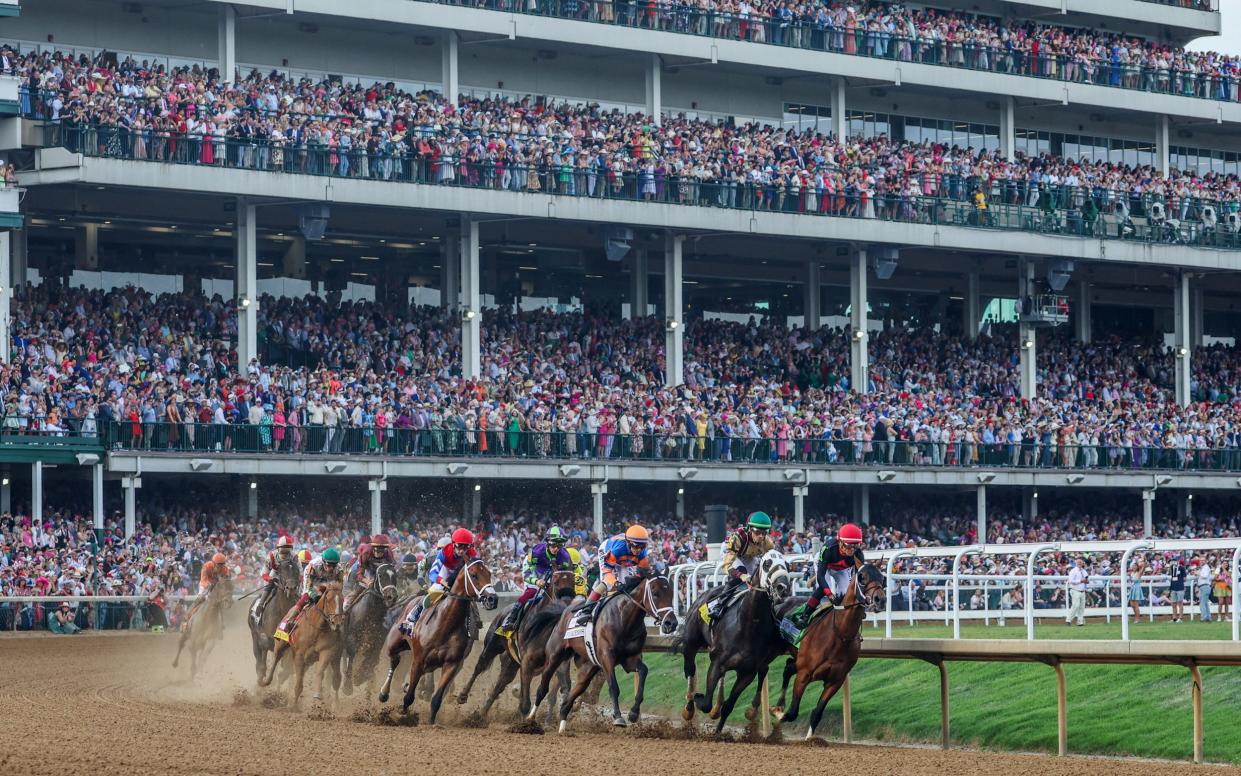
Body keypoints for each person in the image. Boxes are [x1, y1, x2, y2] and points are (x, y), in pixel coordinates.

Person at [495, 526, 574, 638]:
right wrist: (536, 581)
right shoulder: (536, 551)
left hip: (551, 575)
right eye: (553, 545)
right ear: (547, 543)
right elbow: (527, 573)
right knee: (531, 592)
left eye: (559, 545)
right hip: (534, 573)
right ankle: (511, 620)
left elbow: (565, 575)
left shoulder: (565, 556)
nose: (556, 548)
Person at [400, 528, 477, 635]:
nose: (462, 551)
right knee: (434, 591)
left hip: (457, 577)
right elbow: (429, 573)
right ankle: (412, 617)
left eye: (465, 547)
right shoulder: (435, 555)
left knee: (470, 597)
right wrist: (437, 583)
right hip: (440, 577)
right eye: (459, 546)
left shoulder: (470, 554)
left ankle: (474, 622)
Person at [788, 523, 865, 628]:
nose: (852, 549)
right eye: (849, 545)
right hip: (824, 566)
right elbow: (820, 576)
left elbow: (858, 580)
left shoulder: (858, 554)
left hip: (840, 569)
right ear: (840, 543)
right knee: (823, 588)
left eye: (856, 545)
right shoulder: (828, 548)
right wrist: (829, 594)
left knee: (846, 590)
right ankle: (805, 615)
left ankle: (844, 614)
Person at [273, 548, 343, 642]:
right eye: (329, 565)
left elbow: (339, 588)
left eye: (334, 566)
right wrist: (316, 596)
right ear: (323, 562)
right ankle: (287, 623)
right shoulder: (313, 566)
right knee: (305, 598)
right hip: (313, 583)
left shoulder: (340, 569)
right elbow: (308, 588)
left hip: (329, 585)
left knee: (339, 600)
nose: (331, 568)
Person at [719, 511, 776, 587]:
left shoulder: (767, 542)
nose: (761, 536)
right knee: (742, 571)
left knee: (756, 576)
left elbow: (774, 559)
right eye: (757, 532)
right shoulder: (738, 537)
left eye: (764, 532)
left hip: (748, 556)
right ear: (750, 529)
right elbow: (726, 566)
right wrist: (740, 575)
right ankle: (727, 591)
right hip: (730, 552)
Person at [253, 535, 297, 624]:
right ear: (278, 549)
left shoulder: (294, 557)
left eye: (287, 551)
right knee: (269, 586)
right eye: (283, 551)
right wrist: (270, 579)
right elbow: (264, 573)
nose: (285, 554)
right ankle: (261, 605)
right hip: (275, 573)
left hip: (289, 576)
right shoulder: (271, 556)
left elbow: (299, 572)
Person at [185, 552, 230, 626]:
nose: (221, 567)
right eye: (219, 565)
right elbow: (203, 579)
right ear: (214, 563)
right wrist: (209, 585)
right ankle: (188, 616)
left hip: (217, 585)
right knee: (200, 599)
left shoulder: (225, 569)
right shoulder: (207, 566)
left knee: (220, 601)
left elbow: (226, 581)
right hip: (205, 584)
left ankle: (221, 621)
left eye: (222, 564)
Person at [347, 533, 393, 601]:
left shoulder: (389, 554)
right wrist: (367, 581)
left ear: (385, 550)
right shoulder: (366, 553)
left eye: (381, 551)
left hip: (379, 574)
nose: (379, 554)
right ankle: (347, 605)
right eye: (377, 551)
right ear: (373, 548)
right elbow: (359, 574)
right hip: (364, 572)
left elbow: (390, 572)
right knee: (354, 595)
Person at [1066, 556, 1088, 626]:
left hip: (1082, 591)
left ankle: (1080, 622)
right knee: (1076, 605)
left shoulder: (1084, 571)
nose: (1079, 563)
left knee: (1082, 607)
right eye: (1078, 562)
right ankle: (1068, 620)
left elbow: (1086, 579)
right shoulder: (1073, 571)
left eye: (1080, 562)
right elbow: (1070, 581)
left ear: (1082, 563)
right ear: (1076, 562)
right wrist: (1081, 581)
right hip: (1075, 590)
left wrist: (1086, 581)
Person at [1168, 557, 1187, 623]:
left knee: (1180, 603)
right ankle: (1174, 618)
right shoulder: (1172, 568)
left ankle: (1180, 617)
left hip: (1180, 587)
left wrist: (1179, 579)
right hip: (1173, 587)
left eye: (1174, 561)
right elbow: (1170, 574)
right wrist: (1170, 567)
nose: (1173, 563)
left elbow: (1185, 578)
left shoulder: (1181, 568)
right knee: (1173, 603)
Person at [1195, 557, 1213, 622]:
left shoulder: (1206, 567)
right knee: (1205, 603)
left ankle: (1204, 618)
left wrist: (1198, 573)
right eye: (1201, 560)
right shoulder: (1204, 568)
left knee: (1202, 603)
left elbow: (1204, 576)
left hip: (1204, 586)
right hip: (1204, 587)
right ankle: (1208, 617)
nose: (1201, 561)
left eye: (1203, 560)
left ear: (1206, 561)